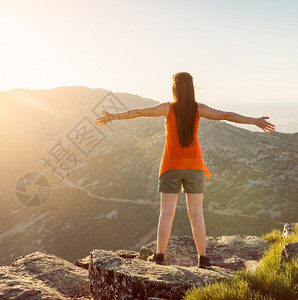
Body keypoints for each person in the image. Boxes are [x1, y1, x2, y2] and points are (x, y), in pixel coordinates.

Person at [93, 72, 275, 269]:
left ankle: (159, 255)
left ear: (175, 88)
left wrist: (113, 117)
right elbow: (226, 115)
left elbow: (137, 112)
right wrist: (254, 120)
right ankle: (203, 259)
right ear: (191, 88)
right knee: (196, 214)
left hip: (171, 167)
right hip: (195, 167)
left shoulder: (167, 108)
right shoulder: (199, 109)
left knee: (166, 213)